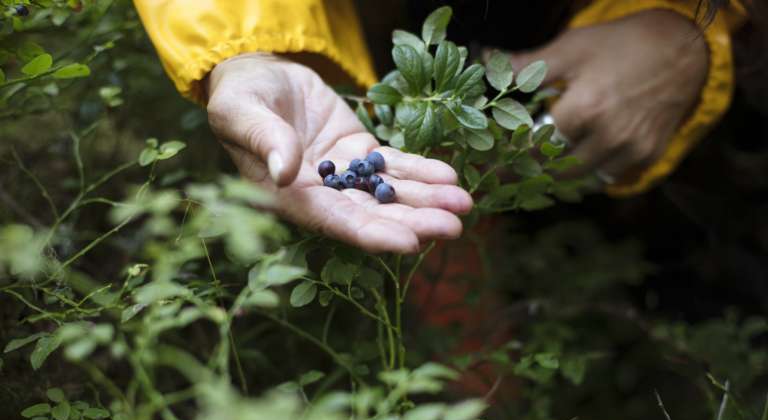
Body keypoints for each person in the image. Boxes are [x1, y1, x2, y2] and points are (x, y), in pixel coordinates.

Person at [133, 0, 747, 253]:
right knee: (435, 227)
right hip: (365, 50)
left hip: (719, 118)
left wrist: (695, 28)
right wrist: (251, 47)